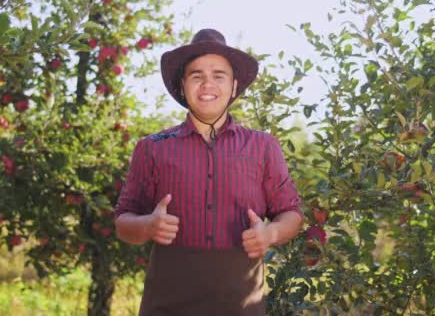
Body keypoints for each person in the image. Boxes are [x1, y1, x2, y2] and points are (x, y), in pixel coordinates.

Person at [114, 28, 304, 316]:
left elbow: (292, 213)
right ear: (182, 84)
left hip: (242, 306)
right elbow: (123, 221)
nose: (207, 84)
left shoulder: (263, 146)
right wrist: (148, 226)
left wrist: (272, 232)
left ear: (234, 85)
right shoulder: (151, 148)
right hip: (166, 306)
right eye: (196, 75)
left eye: (218, 75)